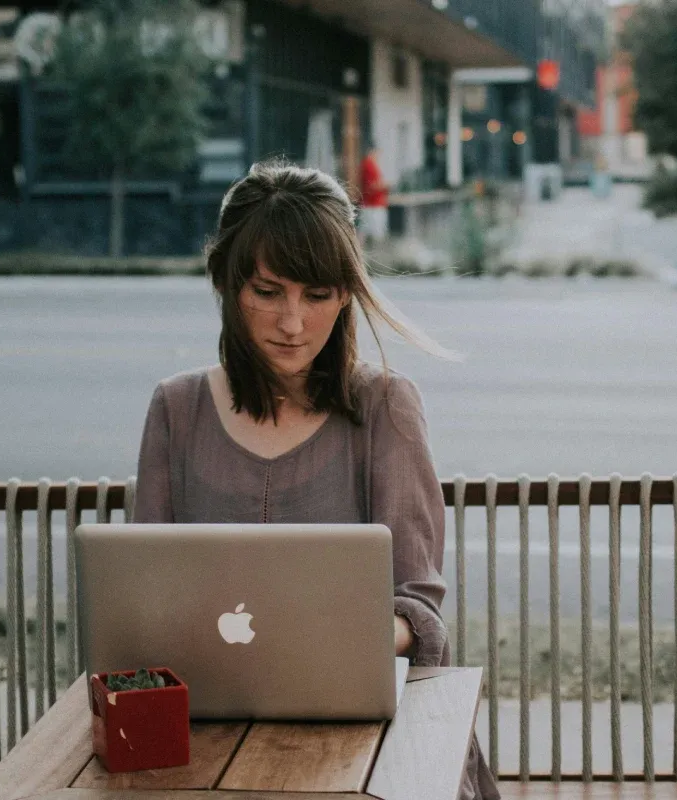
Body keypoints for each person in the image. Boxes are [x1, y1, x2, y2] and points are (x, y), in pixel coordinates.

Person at [132, 160, 499, 800]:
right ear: (225, 282)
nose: (293, 323)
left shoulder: (385, 404)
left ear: (346, 293)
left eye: (318, 294)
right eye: (268, 292)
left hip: (364, 743)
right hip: (208, 738)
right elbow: (141, 595)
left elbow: (420, 609)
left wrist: (334, 643)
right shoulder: (176, 408)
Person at [358, 143, 391, 245]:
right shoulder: (369, 165)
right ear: (373, 152)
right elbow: (372, 186)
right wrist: (385, 185)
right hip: (373, 204)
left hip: (372, 204)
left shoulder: (368, 164)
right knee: (375, 233)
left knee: (364, 230)